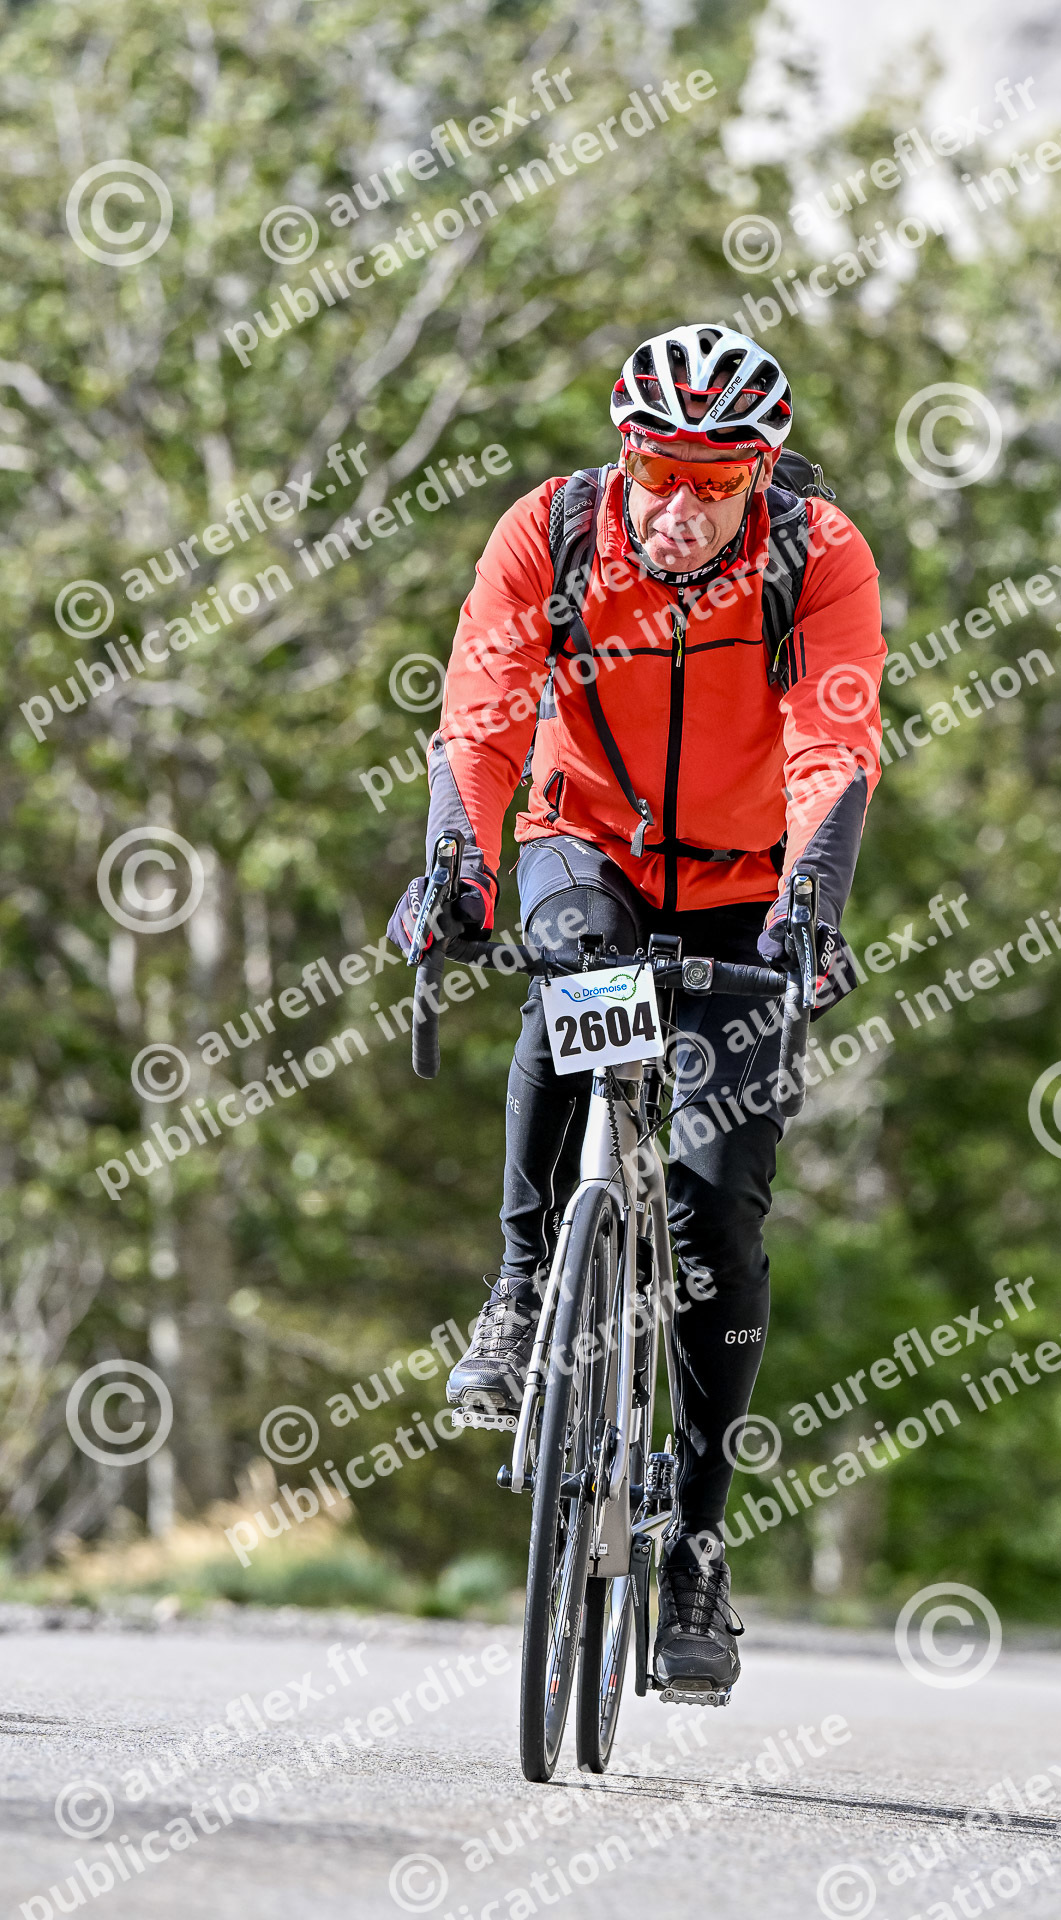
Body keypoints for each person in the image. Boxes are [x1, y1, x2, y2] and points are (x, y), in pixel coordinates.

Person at [389, 322, 884, 1697]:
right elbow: (484, 712)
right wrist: (456, 865)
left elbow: (836, 735)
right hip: (586, 843)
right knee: (578, 980)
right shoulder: (550, 533)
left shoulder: (817, 556)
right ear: (626, 455)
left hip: (745, 888)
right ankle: (520, 1289)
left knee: (720, 1210)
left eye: (716, 481)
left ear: (761, 476)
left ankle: (699, 1551)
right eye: (662, 471)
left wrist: (811, 902)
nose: (684, 503)